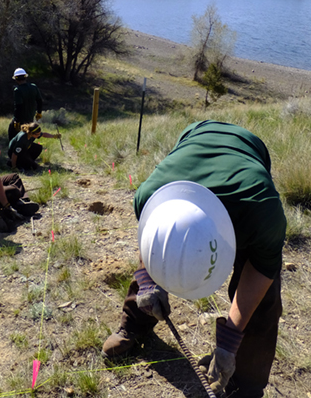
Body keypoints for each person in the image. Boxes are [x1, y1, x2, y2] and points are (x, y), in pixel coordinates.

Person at [102, 120, 286, 398]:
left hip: (249, 151)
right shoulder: (150, 197)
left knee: (264, 301)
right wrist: (148, 281)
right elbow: (151, 244)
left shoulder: (262, 214)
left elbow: (260, 272)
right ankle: (134, 323)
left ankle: (246, 383)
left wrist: (228, 343)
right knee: (159, 257)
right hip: (196, 133)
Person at [8, 67, 43, 141]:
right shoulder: (34, 87)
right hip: (30, 117)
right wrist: (39, 112)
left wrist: (16, 121)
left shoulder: (17, 90)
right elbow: (39, 101)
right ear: (25, 77)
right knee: (29, 135)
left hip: (21, 119)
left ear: (16, 79)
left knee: (13, 136)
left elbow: (18, 106)